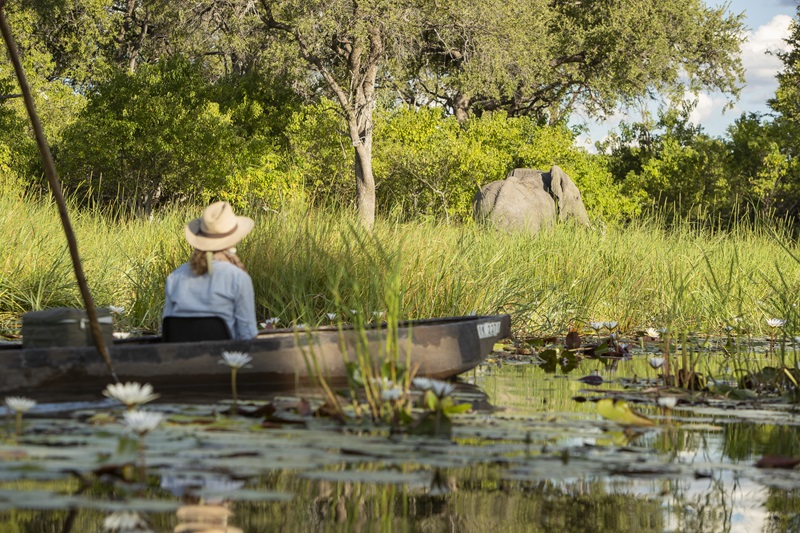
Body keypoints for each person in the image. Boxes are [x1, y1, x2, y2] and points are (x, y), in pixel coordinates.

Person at [163, 201, 259, 340]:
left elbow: (167, 329)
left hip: (180, 352)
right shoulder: (238, 278)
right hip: (224, 353)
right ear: (232, 241)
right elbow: (248, 335)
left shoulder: (175, 277)